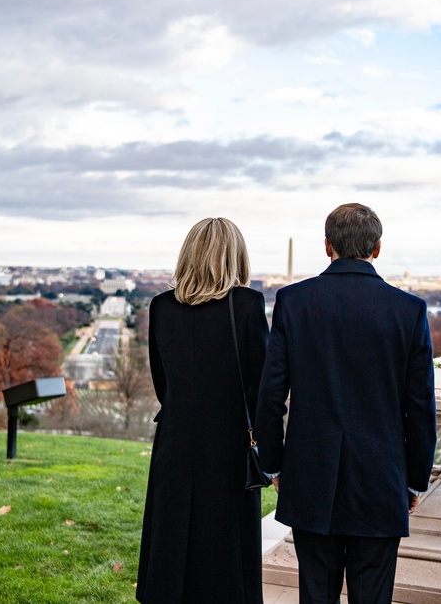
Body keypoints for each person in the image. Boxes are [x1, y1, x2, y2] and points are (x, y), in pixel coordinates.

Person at [255, 203, 437, 604]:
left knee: (315, 594)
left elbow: (270, 396)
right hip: (380, 479)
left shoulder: (293, 302)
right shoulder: (409, 311)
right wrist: (413, 480)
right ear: (377, 249)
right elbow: (421, 406)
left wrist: (274, 464)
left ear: (326, 246)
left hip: (309, 475)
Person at [136, 217, 269, 604]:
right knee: (226, 551)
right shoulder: (247, 304)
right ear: (235, 256)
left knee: (172, 540)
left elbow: (162, 382)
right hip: (228, 442)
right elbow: (258, 383)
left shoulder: (161, 306)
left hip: (175, 438)